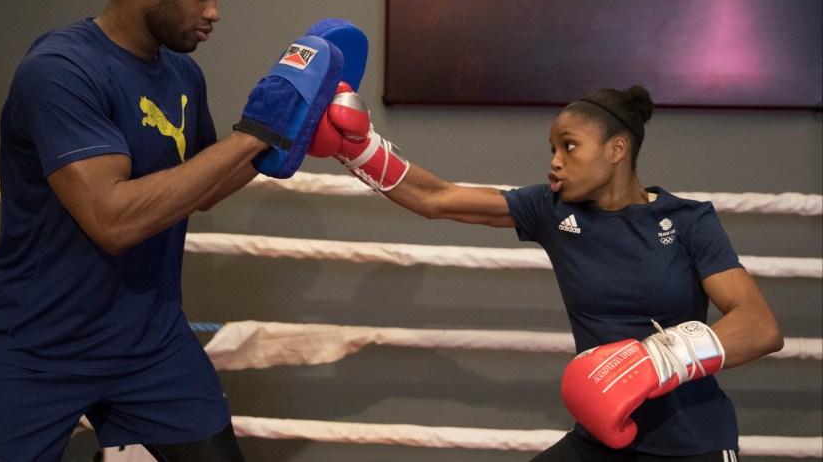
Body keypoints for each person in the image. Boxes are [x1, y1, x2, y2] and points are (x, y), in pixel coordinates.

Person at [0, 0, 332, 462]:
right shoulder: (60, 70)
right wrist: (253, 133)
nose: (214, 12)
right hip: (39, 349)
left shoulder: (181, 75)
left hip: (150, 344)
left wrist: (292, 137)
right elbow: (113, 220)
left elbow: (203, 186)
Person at [308, 83, 783, 461]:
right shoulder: (551, 209)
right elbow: (437, 198)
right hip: (601, 437)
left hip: (692, 441)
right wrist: (358, 149)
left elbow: (759, 326)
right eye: (553, 147)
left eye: (570, 147)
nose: (555, 161)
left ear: (617, 150)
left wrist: (653, 360)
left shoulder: (688, 220)